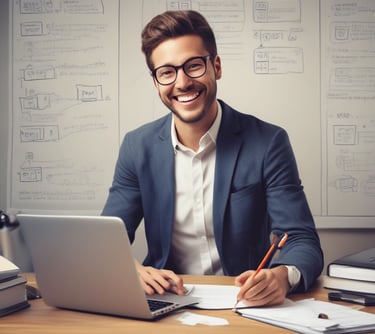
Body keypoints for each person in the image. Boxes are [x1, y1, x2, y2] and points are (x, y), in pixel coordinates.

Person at [102, 10, 323, 307]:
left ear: (216, 66)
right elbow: (105, 241)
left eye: (193, 66)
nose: (181, 83)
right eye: (167, 72)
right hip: (163, 302)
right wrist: (130, 270)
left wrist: (282, 275)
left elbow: (301, 239)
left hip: (242, 302)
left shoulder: (268, 142)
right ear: (156, 82)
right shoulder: (136, 146)